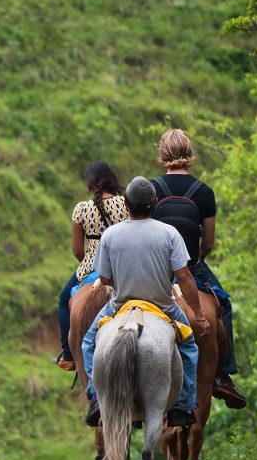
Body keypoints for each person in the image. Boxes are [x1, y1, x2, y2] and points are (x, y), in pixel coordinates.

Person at [80, 177, 209, 428]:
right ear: (155, 203)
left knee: (88, 342)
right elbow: (184, 277)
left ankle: (96, 397)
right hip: (163, 306)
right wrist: (200, 316)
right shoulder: (169, 233)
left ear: (126, 203)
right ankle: (182, 405)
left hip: (120, 305)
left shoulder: (110, 235)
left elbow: (104, 278)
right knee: (190, 346)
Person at [149, 129, 247, 409]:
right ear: (190, 153)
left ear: (163, 153)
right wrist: (194, 260)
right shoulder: (204, 192)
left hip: (158, 271)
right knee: (224, 305)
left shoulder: (151, 189)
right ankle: (222, 377)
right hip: (191, 268)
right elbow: (209, 243)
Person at [56, 161, 129, 371]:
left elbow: (78, 250)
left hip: (91, 268)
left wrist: (90, 266)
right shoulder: (125, 204)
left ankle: (69, 355)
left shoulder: (82, 208)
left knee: (63, 301)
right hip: (121, 269)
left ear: (91, 183)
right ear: (111, 179)